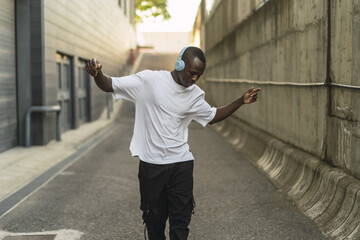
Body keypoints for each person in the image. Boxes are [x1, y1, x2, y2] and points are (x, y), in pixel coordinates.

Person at [86, 46, 261, 240]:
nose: (195, 78)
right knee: (155, 224)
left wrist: (240, 101)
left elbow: (212, 116)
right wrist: (97, 74)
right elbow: (109, 84)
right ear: (180, 64)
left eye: (199, 75)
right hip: (152, 167)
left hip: (181, 165)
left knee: (180, 224)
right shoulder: (149, 81)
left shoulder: (194, 94)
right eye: (192, 73)